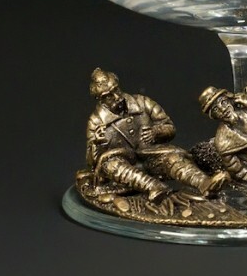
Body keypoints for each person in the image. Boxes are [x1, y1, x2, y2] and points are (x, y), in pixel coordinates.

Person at [85, 68, 227, 201]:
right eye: (108, 96)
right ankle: (154, 187)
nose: (116, 96)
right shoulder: (96, 121)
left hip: (151, 158)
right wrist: (96, 144)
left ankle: (205, 184)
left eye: (116, 89)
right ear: (100, 99)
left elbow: (170, 127)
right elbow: (93, 162)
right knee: (111, 165)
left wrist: (157, 131)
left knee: (173, 158)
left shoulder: (142, 103)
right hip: (123, 169)